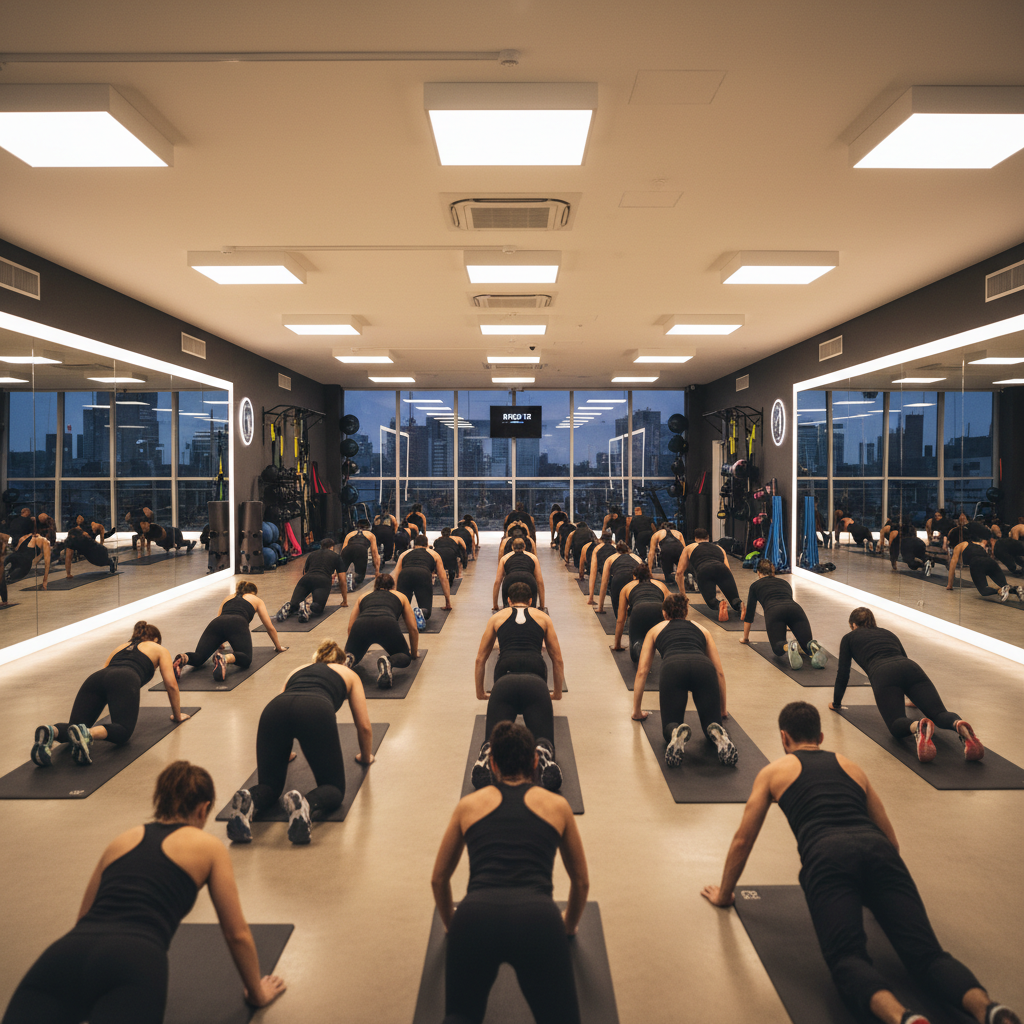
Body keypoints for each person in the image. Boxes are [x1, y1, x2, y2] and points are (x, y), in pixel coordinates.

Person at [701, 701, 1020, 1024]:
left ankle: (903, 1018)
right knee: (929, 955)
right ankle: (988, 1009)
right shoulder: (851, 767)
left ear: (784, 738)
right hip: (879, 853)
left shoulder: (773, 773)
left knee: (847, 958)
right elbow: (891, 840)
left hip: (827, 858)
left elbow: (743, 840)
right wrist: (879, 892)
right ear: (821, 737)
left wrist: (726, 894)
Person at [1, 760, 285, 1024]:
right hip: (135, 960)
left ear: (159, 800)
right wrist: (257, 994)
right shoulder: (208, 846)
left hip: (66, 955)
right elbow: (236, 934)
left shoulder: (122, 841)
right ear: (203, 808)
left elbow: (82, 918)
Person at [431, 721, 588, 1024]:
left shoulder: (468, 806)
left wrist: (453, 924)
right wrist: (567, 926)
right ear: (534, 762)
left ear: (491, 764)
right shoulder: (557, 806)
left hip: (475, 919)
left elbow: (439, 879)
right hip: (538, 921)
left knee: (460, 1016)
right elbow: (581, 882)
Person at [227, 639, 374, 845]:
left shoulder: (299, 669)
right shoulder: (349, 673)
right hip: (316, 710)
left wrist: (284, 753)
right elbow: (365, 727)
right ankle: (305, 803)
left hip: (274, 710)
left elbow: (287, 708)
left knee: (269, 786)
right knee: (334, 788)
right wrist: (366, 757)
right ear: (341, 662)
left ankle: (249, 798)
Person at [831, 607, 985, 763]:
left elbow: (843, 673)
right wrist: (915, 698)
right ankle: (959, 725)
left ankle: (918, 727)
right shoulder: (888, 633)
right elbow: (903, 661)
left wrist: (836, 703)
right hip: (911, 668)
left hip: (883, 673)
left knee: (896, 724)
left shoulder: (849, 638)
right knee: (939, 714)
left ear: (853, 625)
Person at [30, 621, 187, 768]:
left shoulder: (120, 647)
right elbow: (171, 685)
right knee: (123, 731)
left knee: (74, 728)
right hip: (126, 678)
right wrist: (177, 716)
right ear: (155, 639)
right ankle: (88, 733)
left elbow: (106, 675)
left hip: (95, 678)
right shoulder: (159, 648)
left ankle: (51, 730)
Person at [631, 593, 737, 767]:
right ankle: (719, 735)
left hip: (673, 669)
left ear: (664, 613)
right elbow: (719, 672)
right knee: (712, 722)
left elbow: (642, 671)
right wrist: (723, 709)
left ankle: (675, 732)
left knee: (670, 724)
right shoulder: (702, 629)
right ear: (686, 612)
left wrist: (636, 711)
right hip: (703, 668)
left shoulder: (655, 630)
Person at [174, 581, 286, 682]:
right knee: (246, 659)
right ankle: (225, 658)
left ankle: (183, 658)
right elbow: (269, 626)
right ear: (253, 592)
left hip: (217, 623)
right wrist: (278, 647)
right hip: (238, 623)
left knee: (199, 657)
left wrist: (219, 643)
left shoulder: (227, 598)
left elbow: (219, 618)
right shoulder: (256, 600)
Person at [475, 581, 565, 698]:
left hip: (505, 669)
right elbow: (557, 660)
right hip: (535, 668)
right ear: (530, 601)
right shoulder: (544, 618)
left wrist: (480, 694)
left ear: (509, 601)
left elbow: (480, 659)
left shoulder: (496, 618)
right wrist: (557, 694)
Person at [740, 560, 828, 669]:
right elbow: (787, 607)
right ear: (773, 572)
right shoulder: (785, 583)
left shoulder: (755, 586)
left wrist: (745, 638)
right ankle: (811, 645)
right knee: (806, 646)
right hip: (796, 610)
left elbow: (749, 614)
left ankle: (789, 646)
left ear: (758, 572)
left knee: (778, 648)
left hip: (774, 611)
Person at [345, 573, 419, 688]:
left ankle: (348, 659)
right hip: (387, 624)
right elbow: (413, 628)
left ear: (375, 586)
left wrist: (352, 647)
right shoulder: (400, 596)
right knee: (404, 656)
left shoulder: (363, 596)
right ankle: (388, 661)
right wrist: (413, 653)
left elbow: (350, 627)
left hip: (361, 625)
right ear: (393, 586)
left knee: (353, 656)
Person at [675, 528, 744, 622]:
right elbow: (728, 569)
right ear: (708, 537)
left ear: (695, 538)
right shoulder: (719, 548)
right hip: (722, 570)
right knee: (734, 599)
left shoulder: (689, 547)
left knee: (711, 601)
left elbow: (679, 572)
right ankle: (739, 605)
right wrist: (726, 586)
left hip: (704, 570)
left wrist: (683, 595)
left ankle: (719, 605)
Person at [275, 538, 347, 622]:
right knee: (318, 608)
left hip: (306, 579)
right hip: (322, 580)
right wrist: (344, 601)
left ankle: (291, 606)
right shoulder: (336, 556)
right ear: (332, 547)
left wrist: (308, 592)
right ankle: (308, 607)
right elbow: (342, 579)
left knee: (295, 604)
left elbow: (305, 572)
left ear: (321, 546)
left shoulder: (312, 554)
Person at [612, 562, 672, 661]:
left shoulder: (627, 587)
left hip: (638, 610)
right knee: (662, 638)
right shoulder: (661, 585)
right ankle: (667, 652)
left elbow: (621, 619)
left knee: (636, 647)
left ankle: (639, 648)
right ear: (650, 574)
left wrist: (617, 644)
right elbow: (670, 608)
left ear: (634, 575)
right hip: (658, 608)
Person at [946, 537, 1023, 602]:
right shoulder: (977, 545)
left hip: (976, 563)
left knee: (984, 590)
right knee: (1005, 585)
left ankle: (999, 590)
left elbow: (952, 566)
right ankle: (1016, 589)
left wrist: (950, 585)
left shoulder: (959, 546)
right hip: (991, 562)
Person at [394, 534, 452, 619]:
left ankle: (404, 612)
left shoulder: (404, 554)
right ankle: (421, 614)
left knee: (402, 608)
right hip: (423, 575)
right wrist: (448, 602)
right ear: (427, 545)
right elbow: (443, 578)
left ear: (414, 545)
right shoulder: (434, 554)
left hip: (405, 574)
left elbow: (395, 576)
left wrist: (394, 598)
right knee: (426, 612)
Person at [493, 536, 545, 610]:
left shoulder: (504, 558)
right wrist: (542, 605)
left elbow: (497, 582)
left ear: (512, 547)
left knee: (508, 610)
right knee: (531, 610)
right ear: (524, 546)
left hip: (510, 579)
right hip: (529, 579)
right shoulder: (533, 557)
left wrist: (495, 605)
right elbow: (540, 581)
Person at [596, 540, 641, 614]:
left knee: (618, 607)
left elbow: (604, 582)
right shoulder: (636, 557)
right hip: (634, 579)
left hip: (618, 579)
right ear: (628, 549)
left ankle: (620, 618)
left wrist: (600, 607)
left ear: (617, 550)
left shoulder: (611, 558)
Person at [340, 520, 380, 587]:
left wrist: (337, 570)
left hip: (347, 550)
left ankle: (344, 579)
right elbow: (375, 553)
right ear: (368, 527)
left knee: (342, 570)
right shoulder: (370, 535)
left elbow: (342, 550)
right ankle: (355, 580)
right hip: (361, 549)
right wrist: (377, 571)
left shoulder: (350, 534)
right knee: (360, 574)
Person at [585, 531, 616, 604]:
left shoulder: (597, 548)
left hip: (605, 570)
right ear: (611, 541)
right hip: (616, 571)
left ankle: (600, 607)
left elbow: (593, 574)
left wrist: (591, 597)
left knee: (604, 581)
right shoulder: (615, 547)